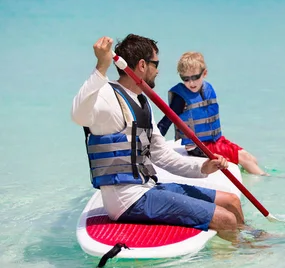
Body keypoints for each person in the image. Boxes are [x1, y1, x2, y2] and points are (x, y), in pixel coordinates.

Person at [71, 34, 245, 243]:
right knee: (225, 219)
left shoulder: (141, 101)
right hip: (128, 201)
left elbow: (162, 155)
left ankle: (248, 240)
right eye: (156, 63)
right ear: (143, 65)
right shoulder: (108, 97)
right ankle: (235, 264)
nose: (159, 70)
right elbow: (78, 114)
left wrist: (202, 169)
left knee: (231, 202)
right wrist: (101, 66)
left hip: (148, 189)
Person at [157, 51, 267, 175]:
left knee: (252, 159)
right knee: (245, 159)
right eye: (186, 79)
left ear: (205, 73)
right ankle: (268, 180)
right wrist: (151, 144)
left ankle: (253, 179)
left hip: (215, 141)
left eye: (195, 77)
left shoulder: (207, 89)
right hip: (198, 147)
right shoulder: (180, 98)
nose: (191, 83)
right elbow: (165, 122)